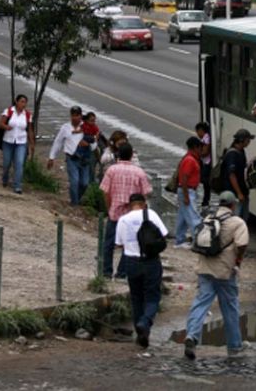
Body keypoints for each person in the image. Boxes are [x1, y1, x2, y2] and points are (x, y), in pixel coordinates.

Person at [183, 191, 249, 360]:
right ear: (233, 205)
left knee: (201, 303)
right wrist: (238, 262)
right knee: (230, 307)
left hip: (205, 269)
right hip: (225, 271)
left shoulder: (207, 219)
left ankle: (192, 336)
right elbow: (242, 244)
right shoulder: (237, 222)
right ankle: (235, 345)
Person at [115, 193, 168, 348]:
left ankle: (141, 335)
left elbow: (119, 244)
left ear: (130, 205)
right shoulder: (151, 214)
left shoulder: (123, 220)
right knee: (152, 297)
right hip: (151, 261)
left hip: (131, 262)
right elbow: (164, 234)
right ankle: (144, 323)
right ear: (144, 204)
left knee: (136, 298)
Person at [99, 143, 153, 279]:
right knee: (128, 244)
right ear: (131, 155)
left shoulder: (111, 170)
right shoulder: (139, 172)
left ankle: (106, 271)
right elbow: (146, 193)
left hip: (114, 212)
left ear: (118, 154)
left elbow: (105, 191)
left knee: (109, 244)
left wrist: (109, 206)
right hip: (131, 214)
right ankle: (122, 272)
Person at [47, 106, 90, 205]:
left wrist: (88, 144)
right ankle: (74, 204)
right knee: (74, 182)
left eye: (77, 115)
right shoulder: (65, 128)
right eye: (73, 115)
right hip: (72, 159)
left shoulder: (87, 127)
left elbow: (94, 139)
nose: (75, 118)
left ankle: (77, 199)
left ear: (81, 115)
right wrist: (52, 157)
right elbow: (58, 142)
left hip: (84, 159)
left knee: (84, 183)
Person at [0, 94, 35, 194]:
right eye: (21, 101)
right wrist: (6, 127)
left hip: (21, 142)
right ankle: (5, 177)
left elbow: (30, 130)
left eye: (25, 102)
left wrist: (32, 144)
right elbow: (1, 123)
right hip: (8, 141)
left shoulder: (27, 115)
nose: (23, 104)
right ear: (16, 101)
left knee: (19, 163)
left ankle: (17, 185)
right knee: (6, 163)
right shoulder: (9, 111)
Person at [174, 137, 204, 248]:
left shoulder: (189, 158)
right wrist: (186, 196)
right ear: (196, 147)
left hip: (186, 190)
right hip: (187, 190)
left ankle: (180, 240)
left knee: (182, 218)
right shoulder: (190, 160)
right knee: (193, 217)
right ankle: (198, 240)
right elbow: (184, 178)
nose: (202, 151)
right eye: (200, 148)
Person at [221, 129, 255, 220]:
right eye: (248, 140)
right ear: (241, 140)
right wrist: (239, 193)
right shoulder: (232, 154)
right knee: (235, 218)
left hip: (243, 191)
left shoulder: (241, 151)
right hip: (234, 194)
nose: (249, 142)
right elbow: (231, 175)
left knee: (244, 217)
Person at [72, 111, 99, 178]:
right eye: (91, 121)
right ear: (86, 120)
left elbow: (97, 134)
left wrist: (95, 139)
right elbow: (78, 132)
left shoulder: (94, 127)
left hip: (92, 144)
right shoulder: (83, 126)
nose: (93, 122)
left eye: (94, 121)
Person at [195, 122, 212, 208]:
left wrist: (197, 154)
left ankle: (206, 200)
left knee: (205, 183)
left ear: (201, 130)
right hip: (205, 162)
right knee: (205, 183)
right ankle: (205, 200)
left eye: (197, 131)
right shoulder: (205, 138)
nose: (197, 134)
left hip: (206, 163)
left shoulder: (206, 138)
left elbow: (205, 152)